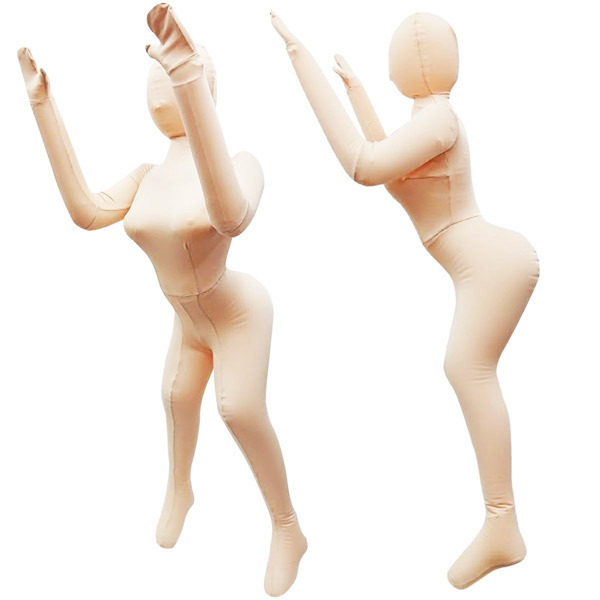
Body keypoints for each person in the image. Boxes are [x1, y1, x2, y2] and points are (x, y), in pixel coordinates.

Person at [17, 4, 307, 596]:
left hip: (237, 313)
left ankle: (288, 527)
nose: (159, 87)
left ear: (201, 84)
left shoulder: (240, 164)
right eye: (159, 76)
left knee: (238, 410)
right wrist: (43, 107)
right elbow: (86, 211)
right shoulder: (147, 173)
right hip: (186, 320)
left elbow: (230, 216)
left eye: (171, 75)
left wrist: (186, 75)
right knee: (175, 397)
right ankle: (181, 489)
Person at [272, 11, 539, 589]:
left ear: (416, 60)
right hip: (482, 263)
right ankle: (503, 524)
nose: (390, 66)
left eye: (394, 56)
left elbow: (364, 166)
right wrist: (356, 91)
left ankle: (503, 524)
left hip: (492, 264)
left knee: (466, 368)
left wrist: (301, 62)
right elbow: (386, 160)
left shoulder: (439, 118)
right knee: (465, 368)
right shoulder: (427, 121)